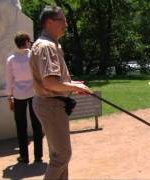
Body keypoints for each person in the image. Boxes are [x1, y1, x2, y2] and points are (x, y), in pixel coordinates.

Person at [30, 5, 93, 179]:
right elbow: (50, 82)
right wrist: (74, 87)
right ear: (50, 22)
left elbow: (55, 81)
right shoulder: (47, 46)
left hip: (52, 104)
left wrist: (72, 84)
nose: (66, 23)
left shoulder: (48, 44)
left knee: (59, 156)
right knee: (62, 156)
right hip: (51, 105)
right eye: (62, 20)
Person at [5, 32, 43, 164]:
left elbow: (9, 80)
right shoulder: (33, 55)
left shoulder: (11, 59)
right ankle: (38, 156)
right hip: (34, 92)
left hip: (18, 95)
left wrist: (9, 97)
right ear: (27, 41)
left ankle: (24, 156)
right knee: (37, 124)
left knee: (21, 126)